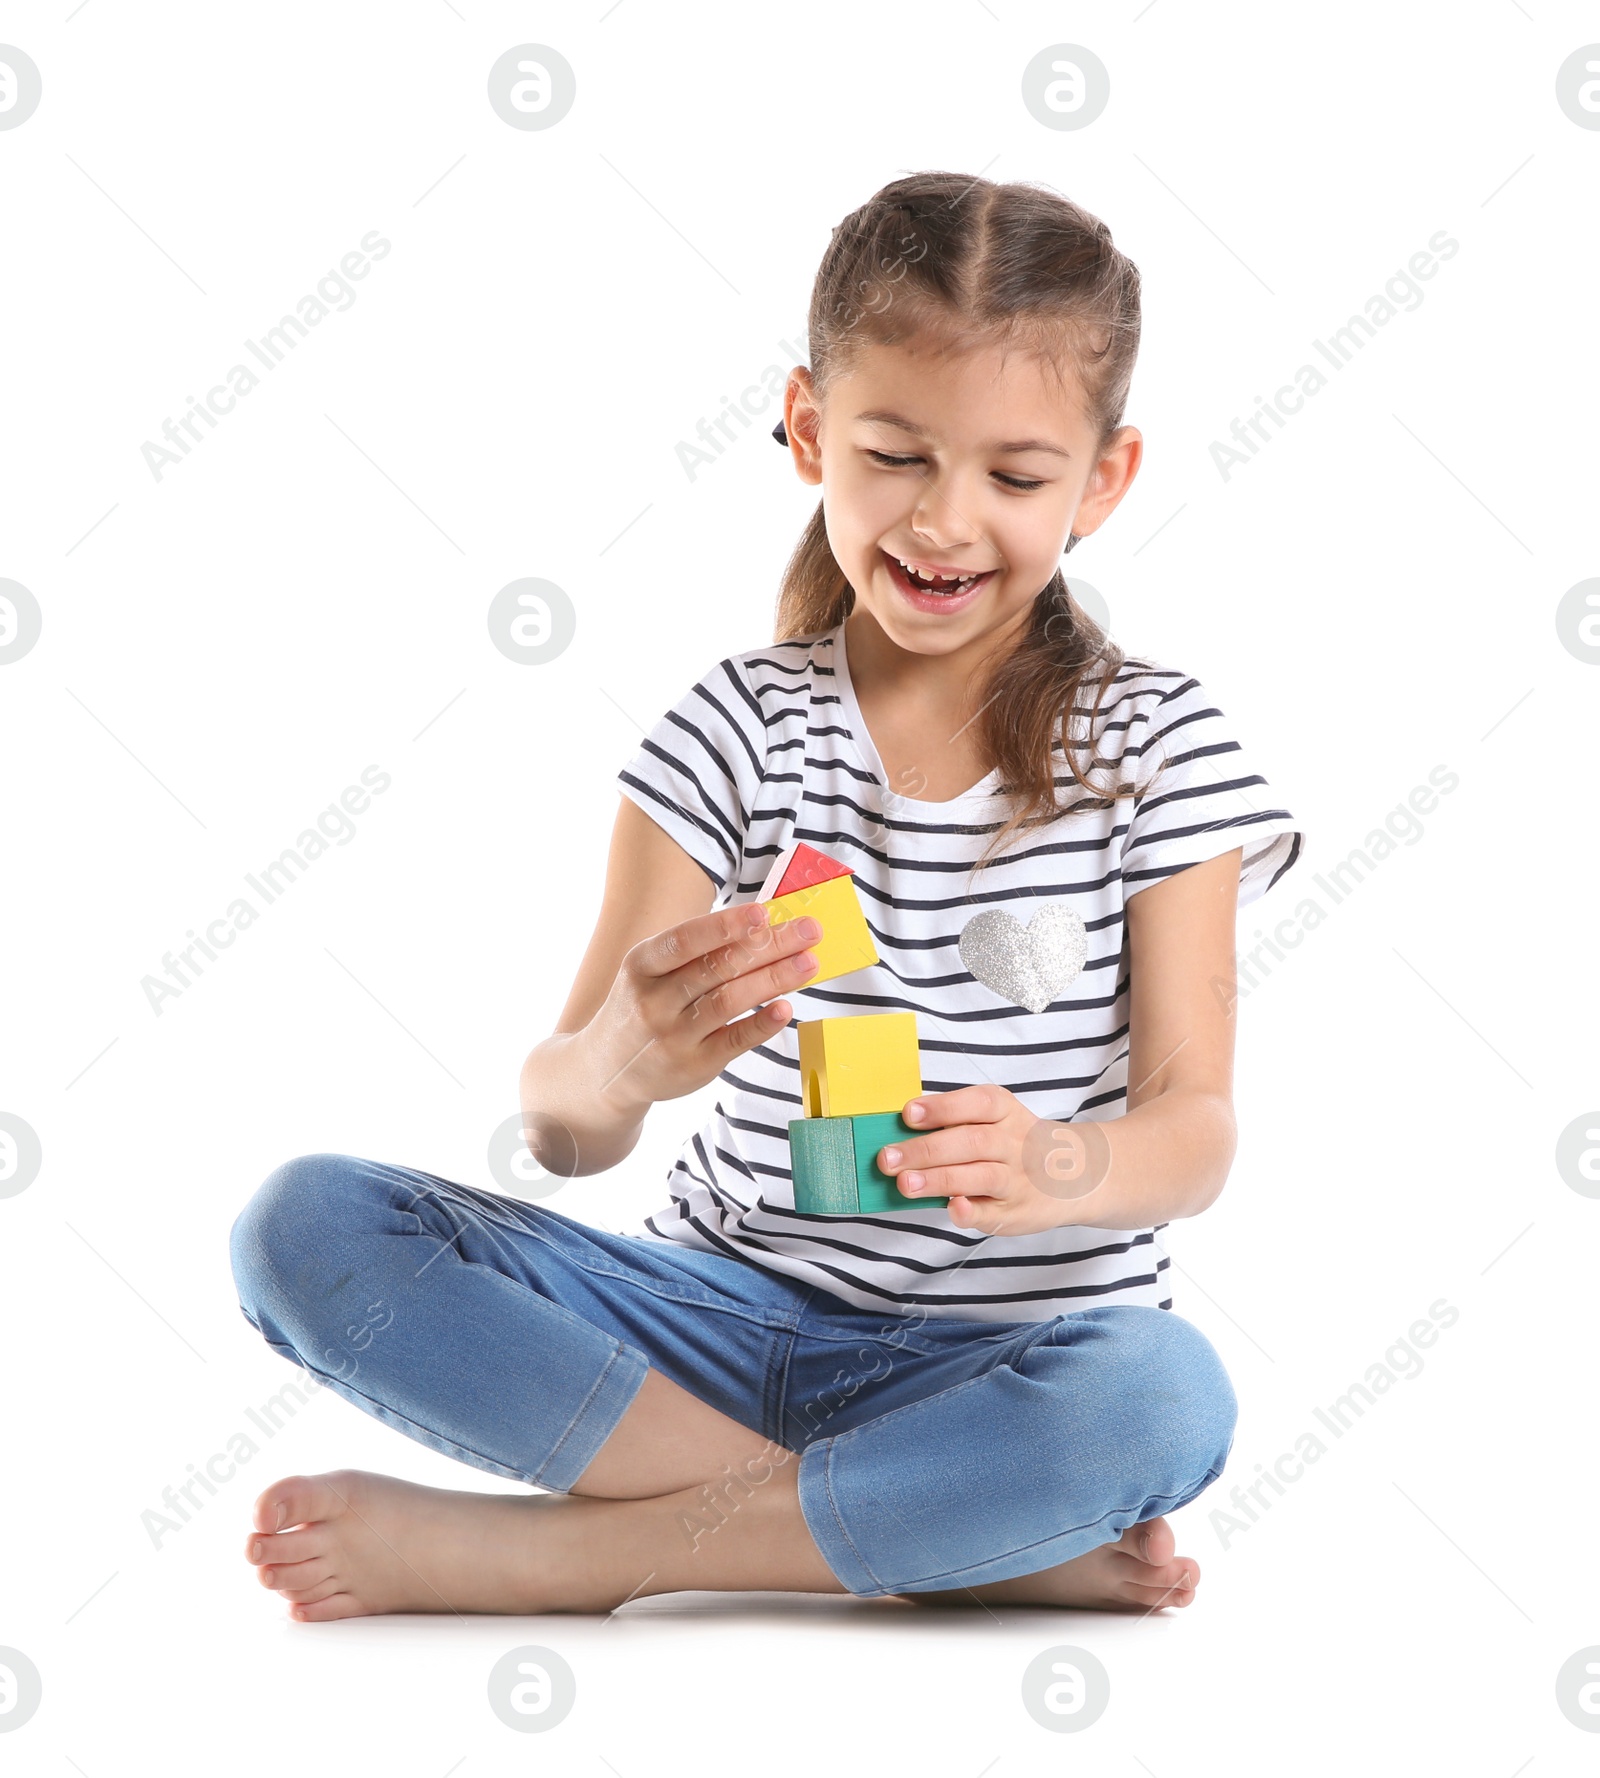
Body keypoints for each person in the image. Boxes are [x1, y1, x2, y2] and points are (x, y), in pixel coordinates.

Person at [229, 171, 1306, 1622]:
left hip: (1006, 1350)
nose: (944, 520)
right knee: (302, 1228)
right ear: (809, 428)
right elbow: (560, 1120)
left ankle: (584, 1553)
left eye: (1016, 474)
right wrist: (620, 1061)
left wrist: (1057, 1165)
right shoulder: (735, 732)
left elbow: (1196, 1129)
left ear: (1103, 480)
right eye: (894, 452)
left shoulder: (1158, 748)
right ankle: (939, 1530)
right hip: (718, 1319)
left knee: (1165, 1398)